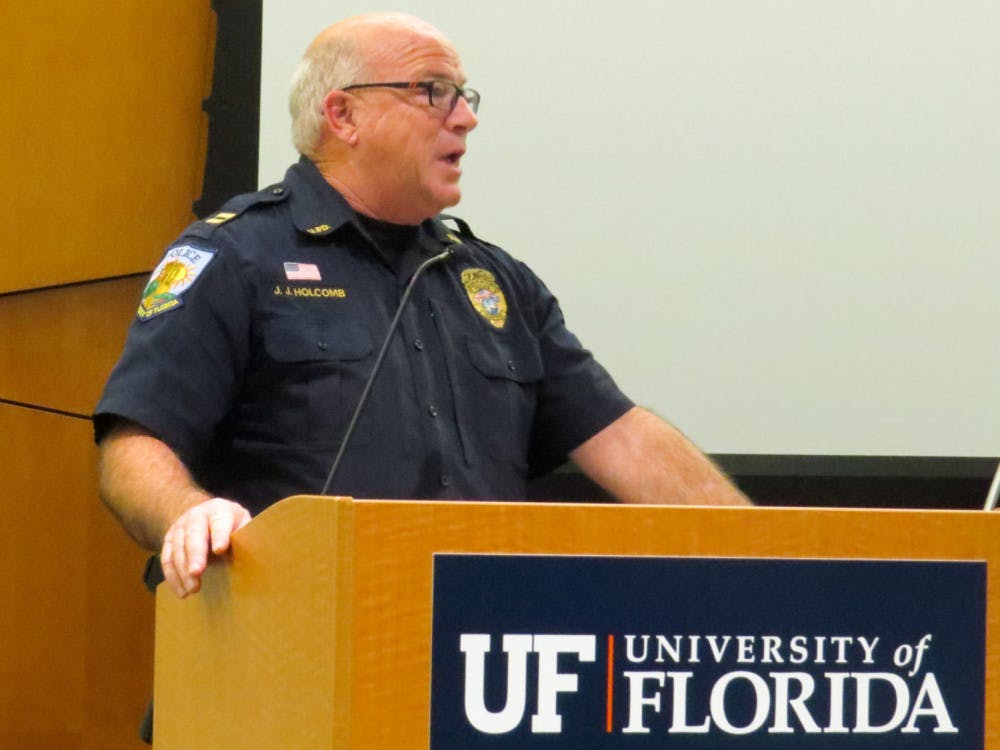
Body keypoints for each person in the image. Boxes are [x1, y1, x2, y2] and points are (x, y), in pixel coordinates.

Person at [95, 12, 750, 601]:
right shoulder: (236, 258)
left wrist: (768, 555)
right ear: (342, 115)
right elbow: (135, 444)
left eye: (464, 96)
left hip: (471, 658)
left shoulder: (493, 284)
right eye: (432, 90)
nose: (463, 116)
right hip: (286, 650)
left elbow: (623, 437)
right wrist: (188, 514)